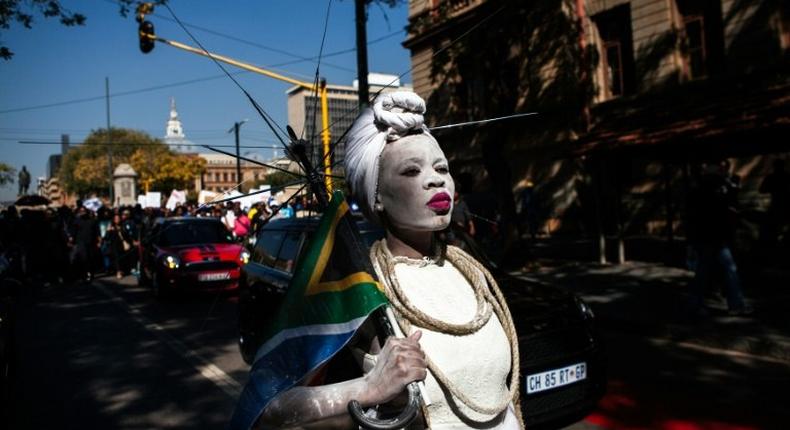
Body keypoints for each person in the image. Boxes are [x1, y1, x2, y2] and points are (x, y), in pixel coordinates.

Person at [256, 92, 522, 429]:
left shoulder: (472, 273)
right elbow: (270, 409)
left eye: (442, 168)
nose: (435, 178)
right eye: (411, 171)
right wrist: (369, 388)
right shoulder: (360, 288)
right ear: (377, 195)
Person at [686, 160, 752, 317]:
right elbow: (725, 210)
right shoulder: (717, 189)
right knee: (727, 270)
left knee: (705, 271)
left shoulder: (700, 189)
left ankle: (697, 305)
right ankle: (735, 305)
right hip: (714, 237)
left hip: (707, 236)